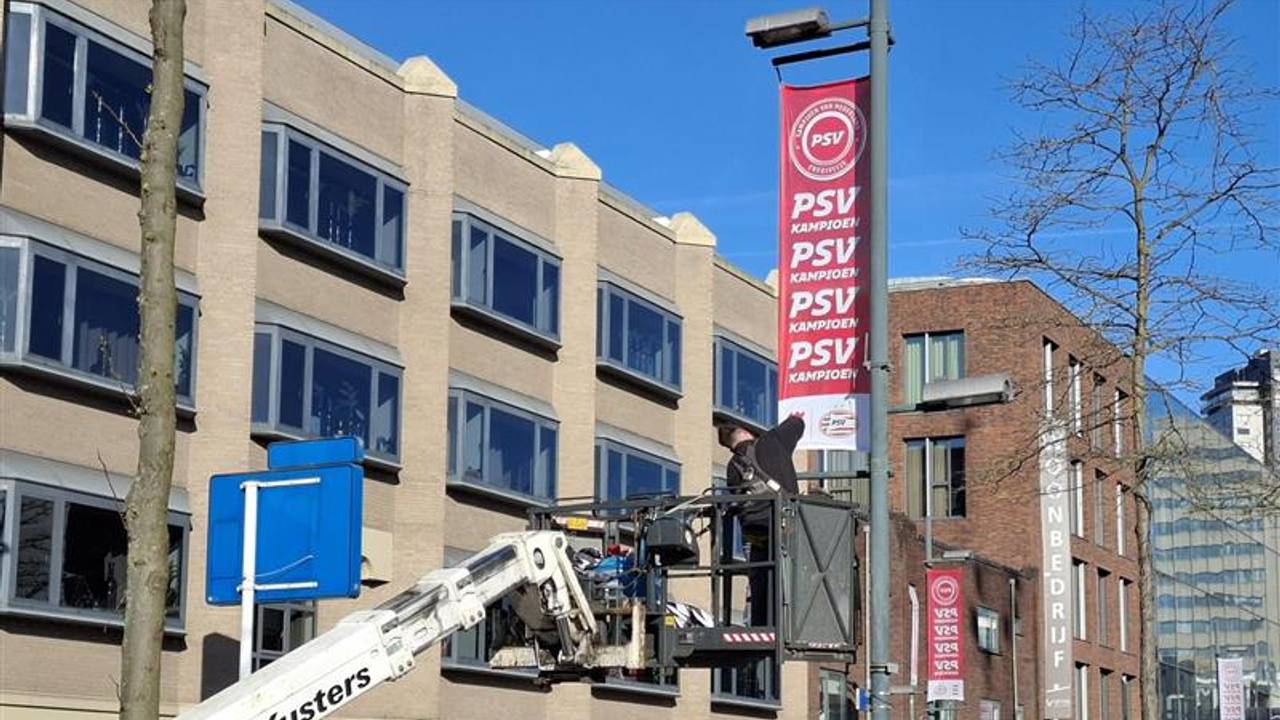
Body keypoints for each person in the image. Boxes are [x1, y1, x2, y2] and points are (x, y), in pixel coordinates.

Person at [717, 412, 805, 627]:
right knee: (793, 574)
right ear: (747, 432)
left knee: (760, 577)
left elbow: (736, 503)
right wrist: (795, 417)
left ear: (730, 445)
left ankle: (762, 623)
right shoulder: (771, 442)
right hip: (786, 523)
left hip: (755, 532)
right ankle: (787, 622)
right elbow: (797, 424)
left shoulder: (733, 467)